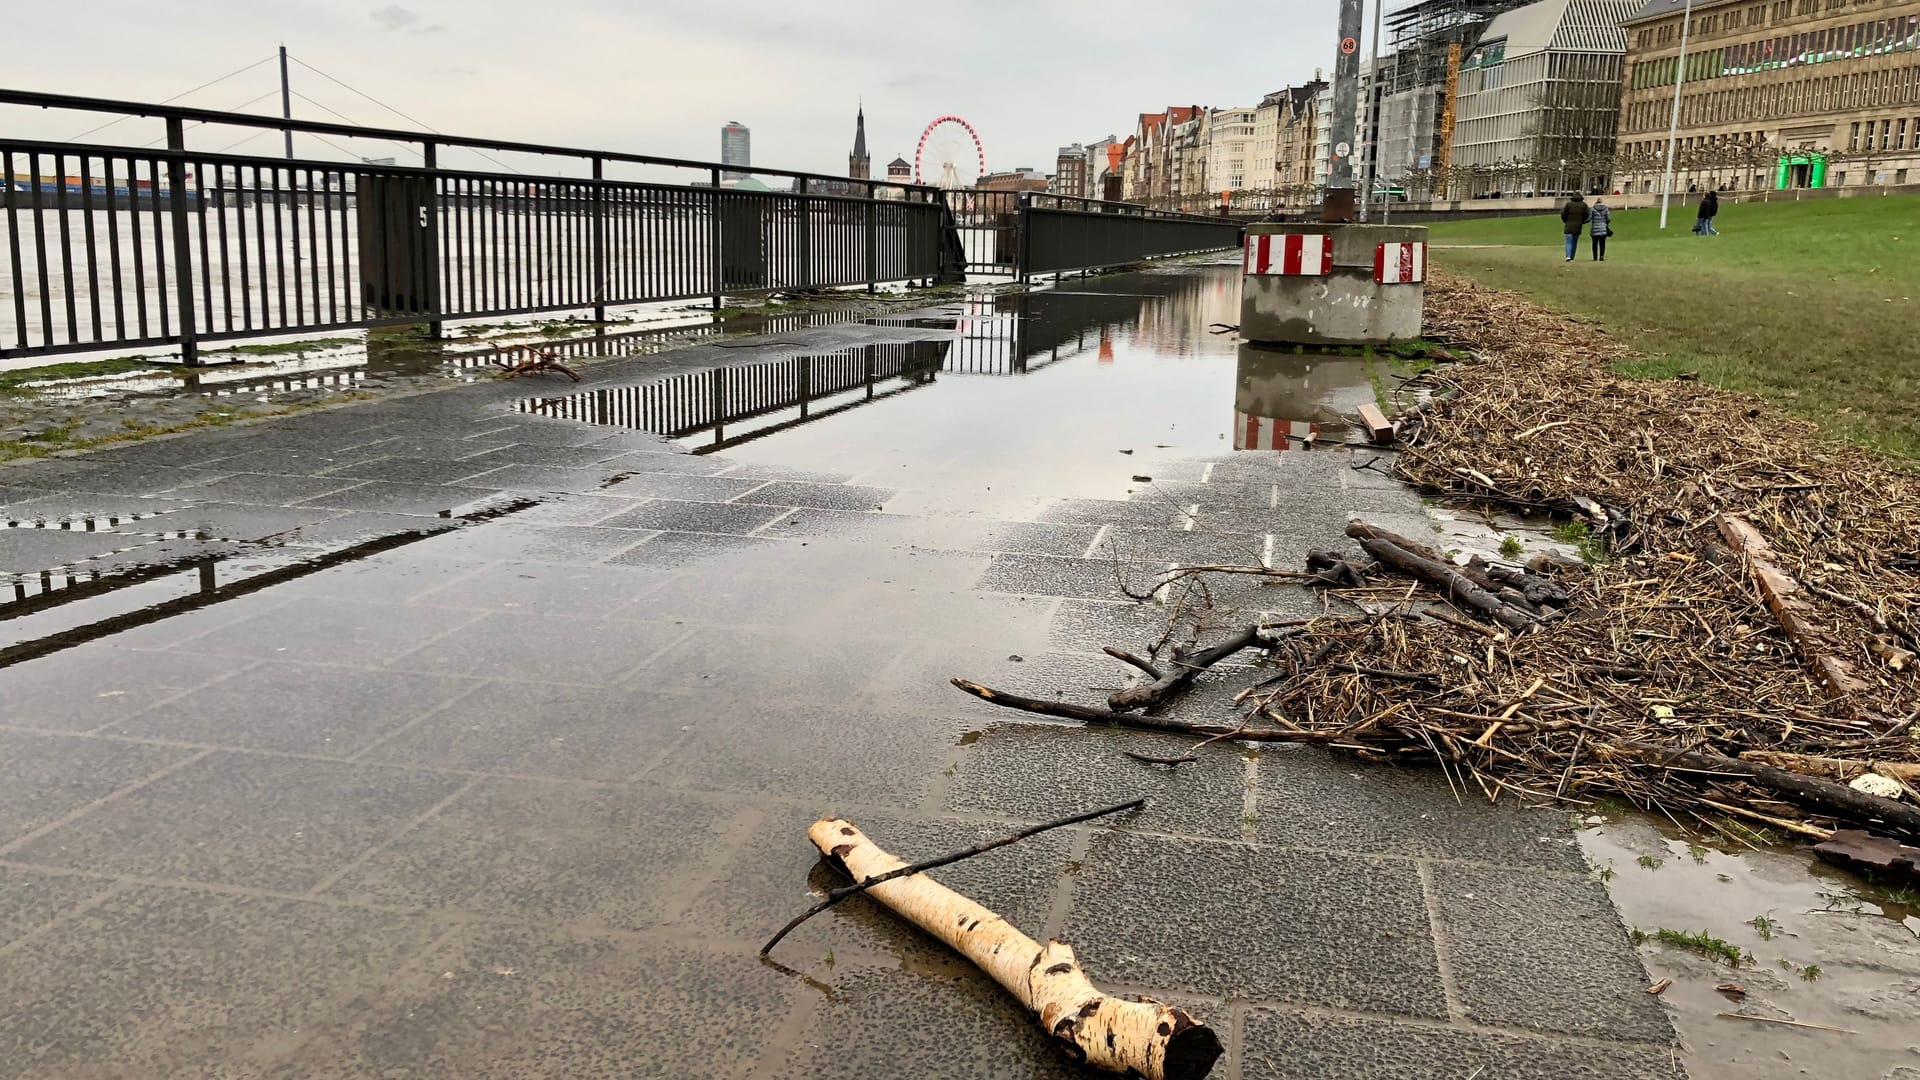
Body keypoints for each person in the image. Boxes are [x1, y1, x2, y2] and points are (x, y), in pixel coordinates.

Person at [1560, 193, 1589, 262]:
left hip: (1569, 225)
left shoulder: (1568, 204)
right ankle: (1572, 257)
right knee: (1574, 242)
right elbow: (1587, 215)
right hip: (1578, 226)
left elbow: (1563, 214)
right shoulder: (1584, 205)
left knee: (1568, 242)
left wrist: (1566, 221)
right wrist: (1582, 221)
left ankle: (1568, 256)